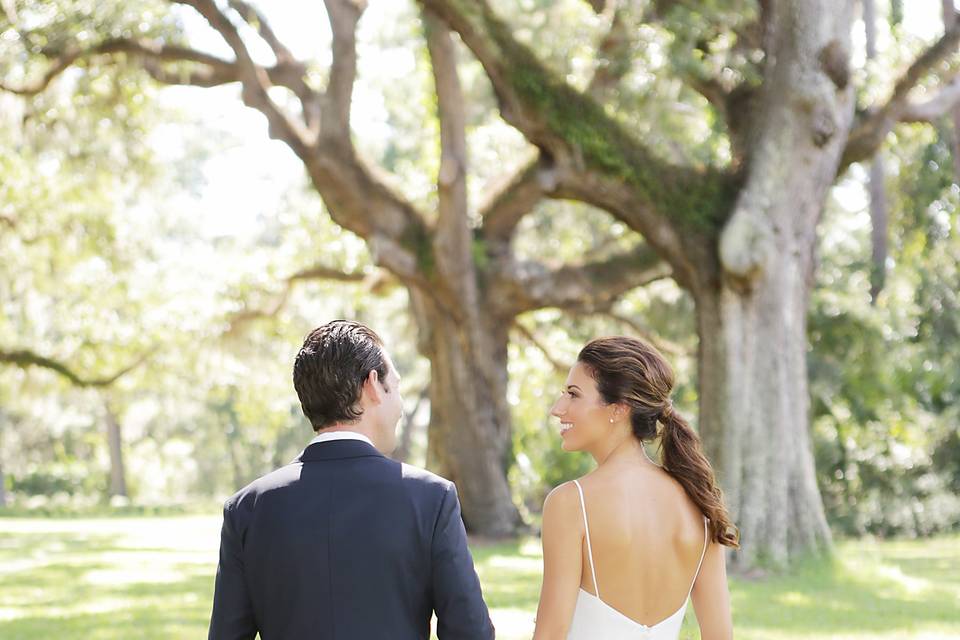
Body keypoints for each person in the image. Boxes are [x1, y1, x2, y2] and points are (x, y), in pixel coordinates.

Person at [207, 320, 495, 640]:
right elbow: (471, 633)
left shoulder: (247, 508)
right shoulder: (430, 497)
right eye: (395, 388)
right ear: (372, 385)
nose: (399, 406)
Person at [532, 336, 739, 640]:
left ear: (618, 409)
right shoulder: (698, 502)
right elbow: (720, 635)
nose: (557, 408)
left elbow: (550, 635)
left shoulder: (571, 502)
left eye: (573, 395)